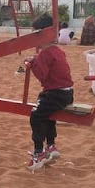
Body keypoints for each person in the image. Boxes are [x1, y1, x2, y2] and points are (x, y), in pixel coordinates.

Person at [24, 28, 74, 172]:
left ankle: (38, 152)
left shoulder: (45, 53)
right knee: (48, 114)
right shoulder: (57, 51)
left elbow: (42, 75)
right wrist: (37, 60)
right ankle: (51, 145)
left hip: (55, 93)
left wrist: (32, 64)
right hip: (67, 93)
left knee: (36, 116)